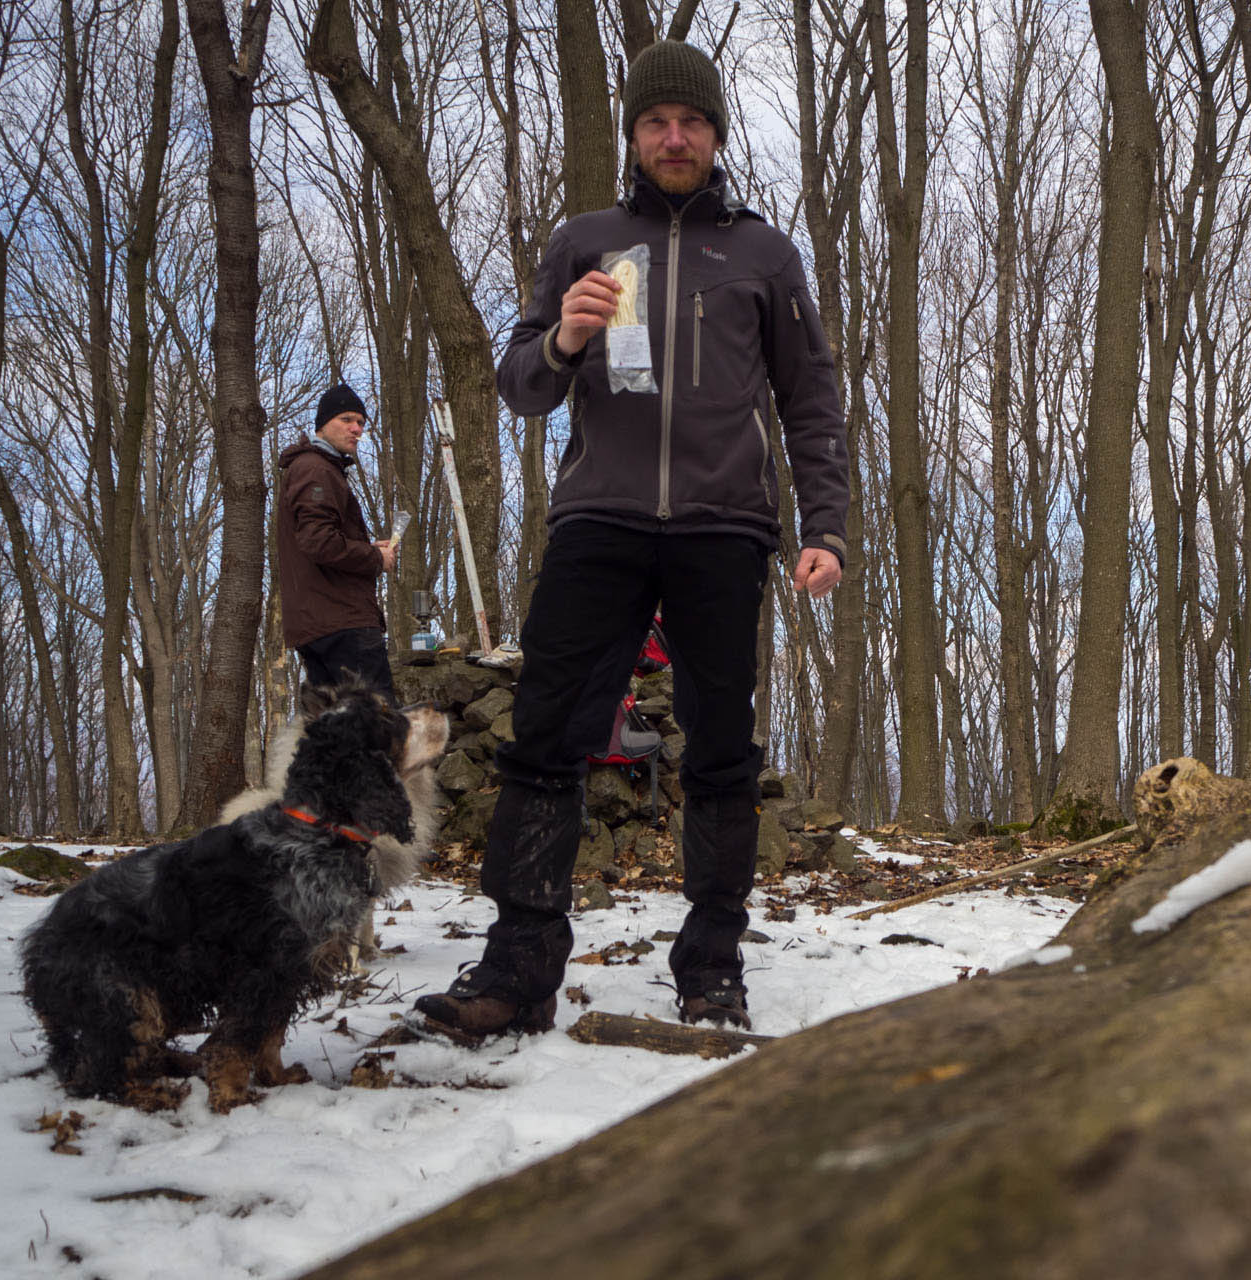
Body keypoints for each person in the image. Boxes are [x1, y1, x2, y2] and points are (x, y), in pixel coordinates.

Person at [411, 40, 849, 1041]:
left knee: (722, 751)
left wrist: (821, 525)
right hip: (598, 520)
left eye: (691, 121)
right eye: (656, 122)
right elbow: (520, 386)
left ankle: (712, 968)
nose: (674, 136)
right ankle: (518, 970)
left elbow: (811, 402)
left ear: (717, 134)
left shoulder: (766, 255)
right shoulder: (586, 242)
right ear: (635, 136)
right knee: (543, 738)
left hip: (723, 529)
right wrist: (563, 335)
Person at [276, 384, 398, 699]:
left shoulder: (316, 468)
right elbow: (318, 541)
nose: (356, 429)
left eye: (361, 422)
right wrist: (374, 559)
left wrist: (368, 550)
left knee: (337, 734)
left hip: (320, 622)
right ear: (323, 423)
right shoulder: (316, 470)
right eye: (347, 419)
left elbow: (320, 538)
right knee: (377, 725)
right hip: (342, 622)